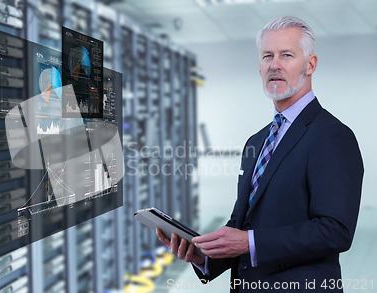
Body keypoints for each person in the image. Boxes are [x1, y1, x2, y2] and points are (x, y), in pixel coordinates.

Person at [156, 16, 364, 292]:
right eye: (267, 56)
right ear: (259, 66)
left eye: (286, 55)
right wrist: (204, 256)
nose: (274, 65)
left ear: (310, 64)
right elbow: (241, 224)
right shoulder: (257, 141)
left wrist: (250, 242)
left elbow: (335, 231)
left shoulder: (331, 135)